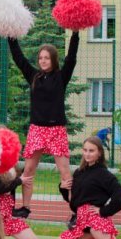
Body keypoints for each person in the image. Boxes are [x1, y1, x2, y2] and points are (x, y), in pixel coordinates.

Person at [7, 32, 79, 218]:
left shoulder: (61, 77)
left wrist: (75, 34)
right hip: (37, 129)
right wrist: (11, 36)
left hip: (56, 130)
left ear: (53, 59)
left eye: (47, 58)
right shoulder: (34, 76)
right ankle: (26, 208)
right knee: (29, 170)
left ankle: (76, 212)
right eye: (40, 58)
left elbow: (71, 59)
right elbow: (19, 58)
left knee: (65, 172)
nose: (43, 61)